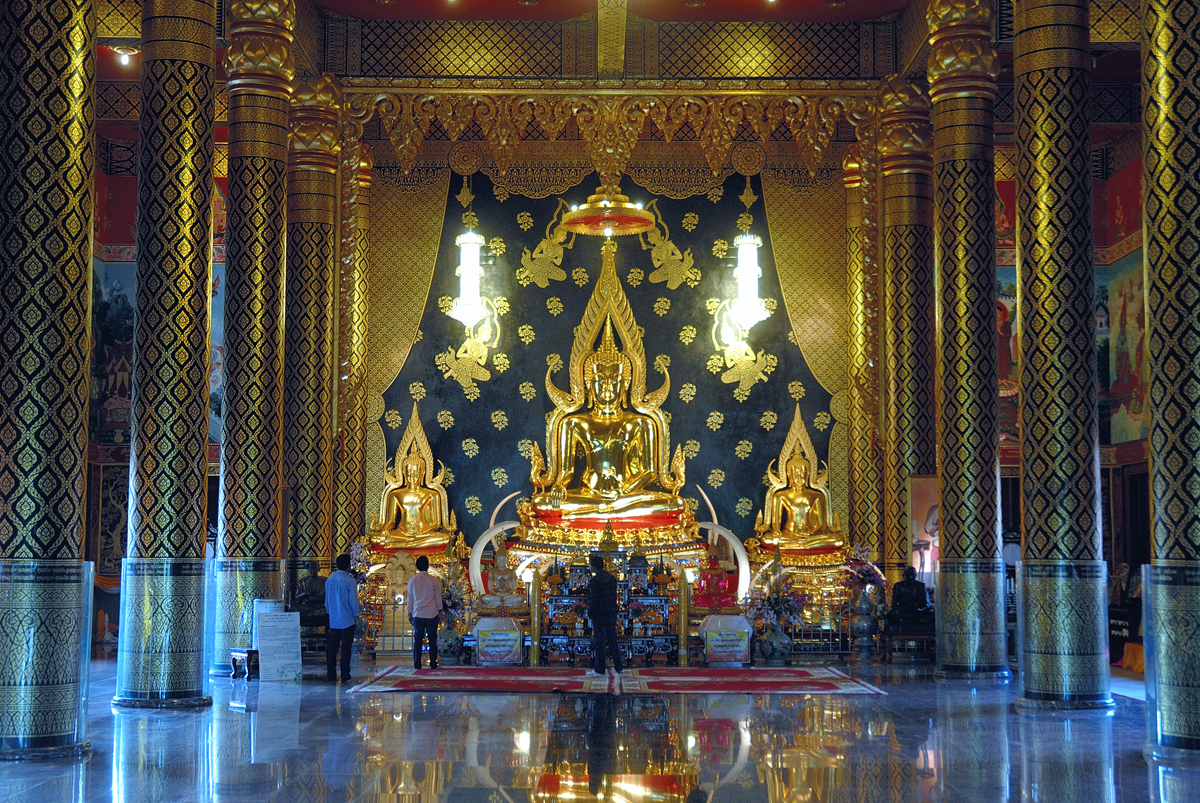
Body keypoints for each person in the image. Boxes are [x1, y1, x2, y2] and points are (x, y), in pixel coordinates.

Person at [586, 552, 623, 679]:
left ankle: (600, 668)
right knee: (612, 640)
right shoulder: (611, 578)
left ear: (594, 566)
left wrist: (590, 612)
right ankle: (619, 666)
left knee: (600, 641)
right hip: (611, 612)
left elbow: (594, 599)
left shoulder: (595, 580)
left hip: (600, 613)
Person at [325, 553, 360, 683]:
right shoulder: (349, 581)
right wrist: (356, 616)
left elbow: (327, 601)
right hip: (347, 620)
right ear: (348, 566)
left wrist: (330, 612)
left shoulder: (330, 580)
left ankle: (331, 673)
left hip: (333, 620)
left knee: (332, 649)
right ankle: (345, 674)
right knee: (346, 648)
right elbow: (353, 601)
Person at [407, 555, 443, 670]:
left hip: (418, 613)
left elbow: (410, 599)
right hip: (431, 613)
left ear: (417, 567)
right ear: (428, 566)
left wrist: (409, 612)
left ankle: (417, 664)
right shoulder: (434, 580)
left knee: (418, 640)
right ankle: (433, 663)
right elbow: (438, 598)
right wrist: (440, 611)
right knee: (432, 639)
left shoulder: (412, 581)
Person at [887, 566, 935, 632]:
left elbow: (927, 604)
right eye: (908, 575)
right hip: (904, 612)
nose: (911, 577)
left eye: (913, 575)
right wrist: (903, 609)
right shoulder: (898, 586)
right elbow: (894, 604)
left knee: (932, 615)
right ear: (904, 576)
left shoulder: (921, 586)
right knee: (891, 614)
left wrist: (919, 609)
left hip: (918, 613)